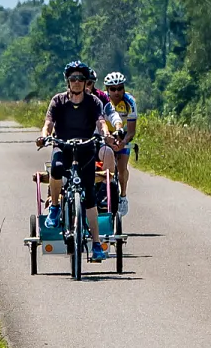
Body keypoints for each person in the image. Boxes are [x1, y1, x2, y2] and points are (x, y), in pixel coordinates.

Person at [37, 61, 118, 261]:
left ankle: (97, 244)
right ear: (68, 81)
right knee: (55, 169)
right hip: (62, 146)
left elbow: (101, 122)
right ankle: (55, 207)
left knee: (90, 195)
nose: (77, 82)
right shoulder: (58, 101)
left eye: (80, 79)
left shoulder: (93, 102)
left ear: (85, 82)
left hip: (86, 149)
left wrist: (106, 135)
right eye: (73, 78)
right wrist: (44, 135)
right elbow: (48, 123)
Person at [103, 71, 137, 216]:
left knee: (122, 169)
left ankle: (123, 196)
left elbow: (131, 131)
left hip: (122, 136)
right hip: (105, 136)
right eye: (113, 89)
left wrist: (122, 143)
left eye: (120, 88)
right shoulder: (103, 101)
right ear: (107, 90)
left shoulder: (129, 102)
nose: (117, 92)